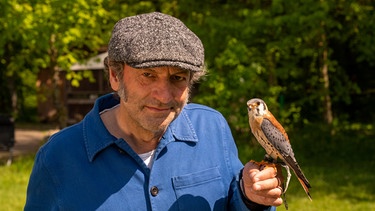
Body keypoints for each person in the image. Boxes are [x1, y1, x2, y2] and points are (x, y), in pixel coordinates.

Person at [25, 12, 284, 210]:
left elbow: (234, 201)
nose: (164, 96)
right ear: (115, 76)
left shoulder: (212, 128)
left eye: (178, 78)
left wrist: (251, 197)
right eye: (148, 75)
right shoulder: (58, 157)